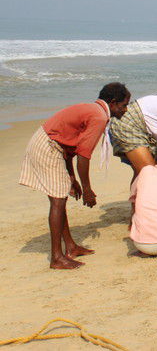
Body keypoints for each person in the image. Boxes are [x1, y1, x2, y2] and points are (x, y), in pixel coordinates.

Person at [19, 82, 130, 269]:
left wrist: (72, 178)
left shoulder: (95, 110)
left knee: (60, 197)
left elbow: (71, 146)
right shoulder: (99, 116)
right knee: (58, 201)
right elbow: (83, 156)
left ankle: (70, 247)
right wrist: (87, 190)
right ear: (112, 103)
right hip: (48, 146)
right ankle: (56, 257)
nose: (125, 110)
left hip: (54, 146)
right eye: (124, 105)